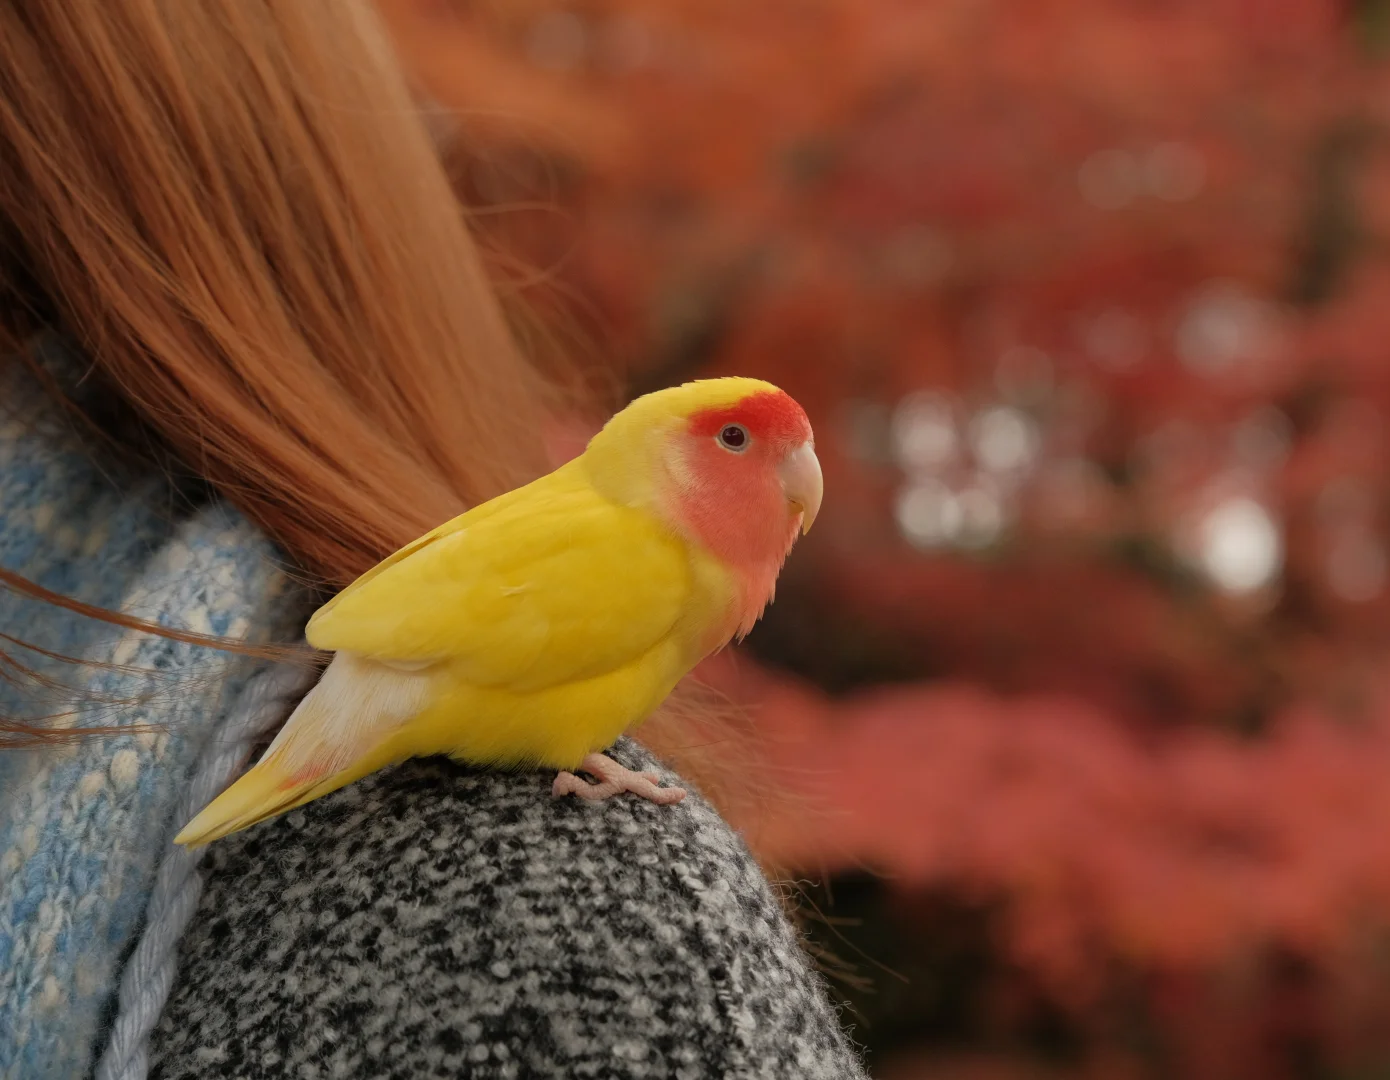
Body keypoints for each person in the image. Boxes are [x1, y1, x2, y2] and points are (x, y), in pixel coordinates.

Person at [0, 4, 866, 1078]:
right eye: (738, 442)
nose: (788, 475)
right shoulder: (640, 554)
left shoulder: (598, 942)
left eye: (779, 448)